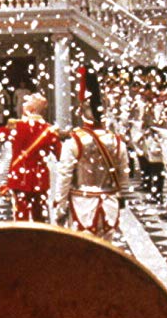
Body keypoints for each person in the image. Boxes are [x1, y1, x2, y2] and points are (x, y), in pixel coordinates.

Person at [54, 69, 129, 240]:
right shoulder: (117, 141)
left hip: (82, 203)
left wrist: (60, 206)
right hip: (109, 202)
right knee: (106, 251)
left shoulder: (74, 142)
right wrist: (119, 195)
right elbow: (123, 174)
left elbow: (64, 177)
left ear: (81, 113)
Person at [0, 92, 61, 222]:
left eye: (26, 102)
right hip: (40, 180)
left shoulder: (17, 126)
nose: (23, 104)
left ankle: (21, 240)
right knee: (40, 218)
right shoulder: (50, 130)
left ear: (31, 109)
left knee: (20, 218)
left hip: (20, 179)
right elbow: (60, 156)